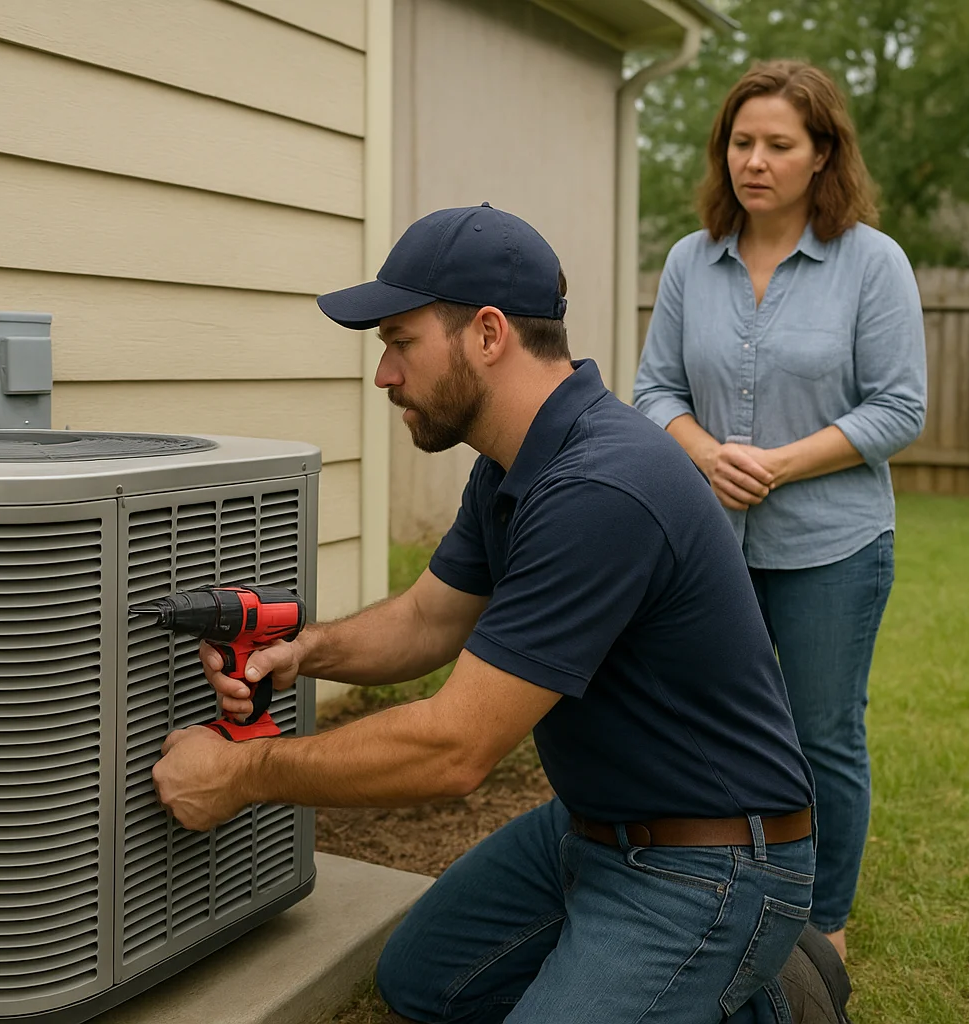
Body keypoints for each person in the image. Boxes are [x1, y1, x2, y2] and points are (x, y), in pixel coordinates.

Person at [154, 203, 827, 1022]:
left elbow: (453, 749)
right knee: (423, 982)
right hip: (592, 829)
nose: (384, 376)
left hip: (713, 863)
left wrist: (240, 775)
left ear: (486, 333)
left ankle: (780, 992)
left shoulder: (599, 489)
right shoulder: (516, 464)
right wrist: (304, 652)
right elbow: (433, 619)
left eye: (400, 342)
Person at [632, 59, 928, 963]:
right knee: (713, 723)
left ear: (822, 154)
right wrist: (704, 452)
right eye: (740, 141)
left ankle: (821, 927)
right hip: (709, 549)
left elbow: (899, 407)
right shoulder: (692, 260)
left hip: (831, 548)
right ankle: (721, 893)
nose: (753, 161)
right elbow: (654, 391)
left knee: (821, 736)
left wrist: (775, 465)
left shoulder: (872, 263)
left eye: (778, 144)